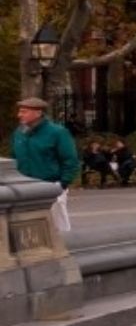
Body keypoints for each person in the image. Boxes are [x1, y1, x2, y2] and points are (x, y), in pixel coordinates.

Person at [13, 97, 80, 231]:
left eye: (24, 111)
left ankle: (58, 248)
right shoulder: (19, 133)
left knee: (54, 224)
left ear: (38, 113)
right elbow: (15, 157)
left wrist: (63, 183)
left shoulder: (57, 132)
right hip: (24, 184)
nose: (19, 115)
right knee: (29, 222)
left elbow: (70, 159)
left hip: (50, 184)